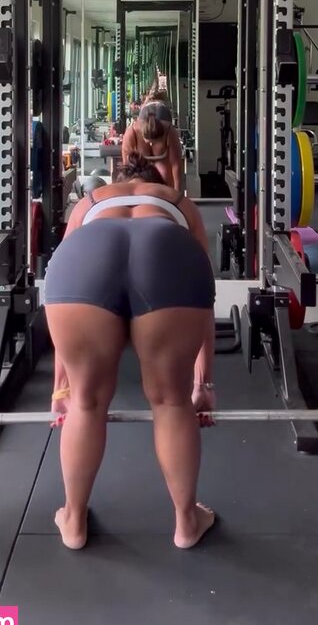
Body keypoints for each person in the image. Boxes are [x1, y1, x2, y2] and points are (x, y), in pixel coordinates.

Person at [44, 151, 216, 552]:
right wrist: (203, 383)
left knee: (86, 402)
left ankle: (73, 521)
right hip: (166, 255)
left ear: (116, 180)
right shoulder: (178, 203)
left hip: (85, 261)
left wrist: (62, 388)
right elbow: (205, 300)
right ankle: (187, 522)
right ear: (157, 180)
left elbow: (60, 287)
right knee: (171, 401)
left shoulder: (89, 202)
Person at [121, 90, 183, 190]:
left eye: (155, 142)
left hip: (164, 180)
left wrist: (177, 195)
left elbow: (176, 166)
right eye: (148, 141)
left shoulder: (169, 131)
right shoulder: (131, 132)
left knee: (164, 171)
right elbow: (127, 168)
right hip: (141, 176)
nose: (150, 144)